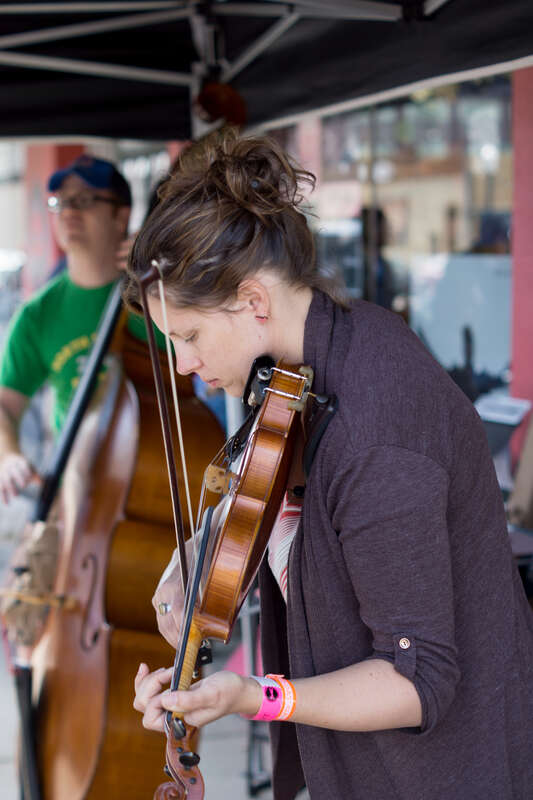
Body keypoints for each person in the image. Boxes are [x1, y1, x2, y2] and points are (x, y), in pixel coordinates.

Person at [125, 129, 533, 800]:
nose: (185, 364)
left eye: (189, 335)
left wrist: (253, 696)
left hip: (439, 774)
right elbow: (283, 496)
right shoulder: (300, 366)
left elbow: (415, 680)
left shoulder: (376, 431)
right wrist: (198, 550)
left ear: (253, 301)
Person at [0, 155, 131, 504]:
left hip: (158, 478)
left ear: (121, 216)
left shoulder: (159, 292)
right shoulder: (37, 314)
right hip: (75, 489)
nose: (68, 211)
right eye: (60, 202)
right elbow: (5, 404)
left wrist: (169, 274)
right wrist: (8, 455)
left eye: (84, 200)